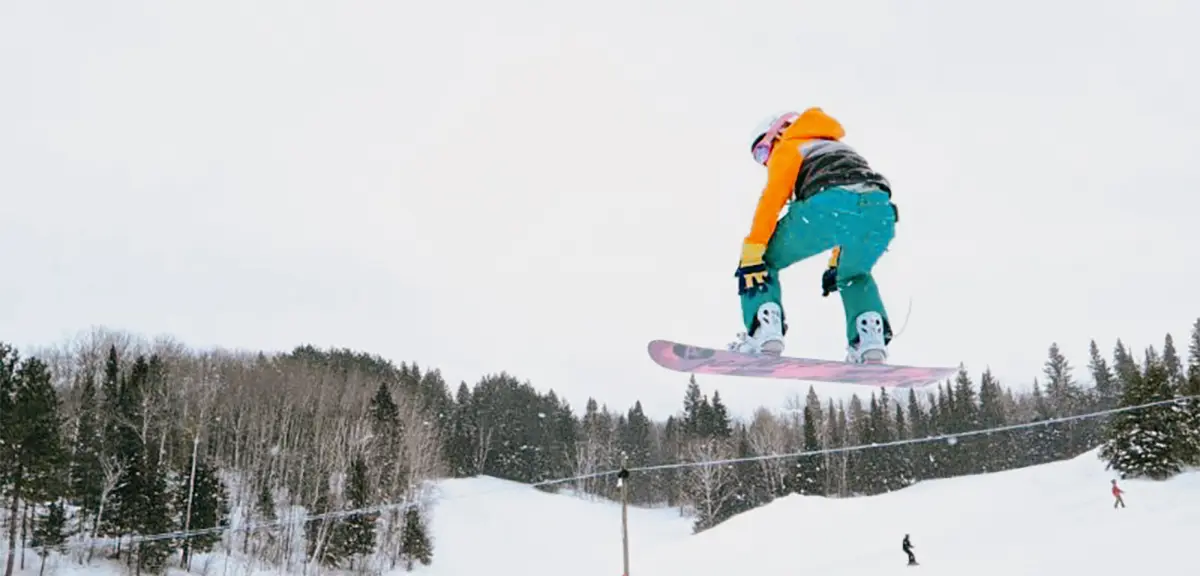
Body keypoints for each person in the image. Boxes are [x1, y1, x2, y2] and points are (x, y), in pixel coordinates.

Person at [729, 108, 899, 364]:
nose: (765, 162)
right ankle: (869, 343)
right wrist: (836, 262)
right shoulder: (841, 149)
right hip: (880, 214)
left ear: (777, 134)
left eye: (762, 152)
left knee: (759, 264)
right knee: (854, 275)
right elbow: (856, 202)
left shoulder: (790, 145)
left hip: (826, 207)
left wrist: (753, 248)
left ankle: (764, 331)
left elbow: (772, 198)